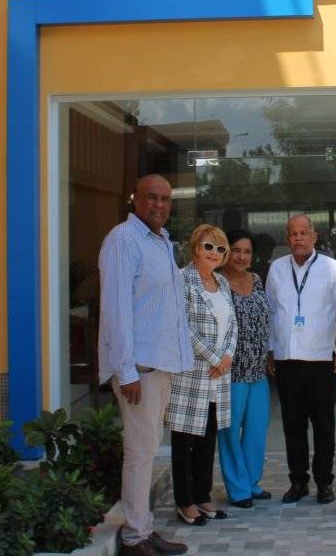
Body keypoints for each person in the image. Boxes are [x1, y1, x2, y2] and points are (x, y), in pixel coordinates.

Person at [98, 174, 192, 556]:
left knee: (148, 447)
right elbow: (116, 311)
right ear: (134, 199)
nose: (159, 205)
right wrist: (127, 371)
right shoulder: (123, 240)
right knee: (140, 451)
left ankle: (143, 528)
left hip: (160, 365)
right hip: (140, 369)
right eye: (152, 197)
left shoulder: (161, 241)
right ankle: (135, 537)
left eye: (166, 199)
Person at [266, 214, 336, 504]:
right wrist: (270, 350)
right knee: (293, 425)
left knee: (324, 425)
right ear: (287, 238)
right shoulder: (277, 269)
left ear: (314, 236)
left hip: (322, 359)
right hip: (287, 358)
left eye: (303, 233)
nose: (298, 238)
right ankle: (298, 481)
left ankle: (324, 482)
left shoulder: (332, 268)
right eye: (292, 234)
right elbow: (271, 311)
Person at [165, 225, 237, 526]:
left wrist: (228, 356)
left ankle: (202, 496)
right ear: (195, 247)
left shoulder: (223, 282)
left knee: (208, 439)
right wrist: (215, 358)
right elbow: (182, 326)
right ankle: (185, 502)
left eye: (221, 249)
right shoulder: (181, 280)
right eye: (209, 246)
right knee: (184, 442)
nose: (214, 253)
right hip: (192, 373)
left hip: (218, 375)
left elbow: (233, 325)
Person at [216, 229, 272, 508]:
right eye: (236, 250)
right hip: (231, 372)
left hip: (258, 371)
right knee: (229, 432)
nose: (241, 256)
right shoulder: (217, 283)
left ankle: (252, 483)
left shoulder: (257, 280)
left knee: (256, 431)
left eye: (247, 252)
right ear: (226, 252)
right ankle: (238, 489)